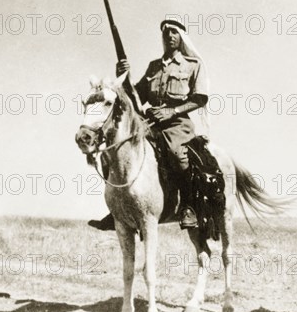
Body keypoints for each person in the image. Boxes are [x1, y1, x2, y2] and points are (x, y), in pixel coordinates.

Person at [89, 19, 209, 231]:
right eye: (166, 33)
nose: (169, 36)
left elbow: (200, 98)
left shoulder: (193, 65)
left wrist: (173, 111)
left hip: (177, 123)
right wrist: (122, 75)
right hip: (150, 121)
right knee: (115, 150)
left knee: (177, 154)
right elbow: (136, 97)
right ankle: (117, 208)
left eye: (174, 32)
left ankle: (188, 207)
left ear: (181, 36)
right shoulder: (154, 67)